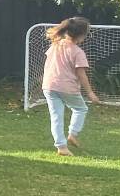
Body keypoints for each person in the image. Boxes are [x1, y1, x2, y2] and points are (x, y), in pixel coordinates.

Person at [42, 17, 100, 156]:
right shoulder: (77, 52)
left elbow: (48, 63)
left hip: (49, 86)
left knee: (56, 116)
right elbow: (82, 75)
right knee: (80, 108)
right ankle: (72, 134)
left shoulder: (55, 45)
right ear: (81, 35)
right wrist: (90, 92)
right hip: (67, 88)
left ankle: (61, 147)